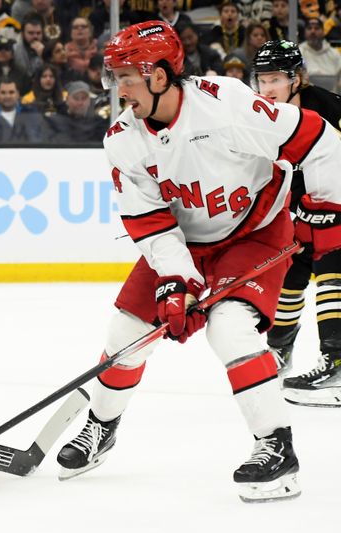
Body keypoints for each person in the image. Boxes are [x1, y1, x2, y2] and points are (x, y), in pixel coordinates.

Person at [55, 20, 341, 503]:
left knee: (229, 327)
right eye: (116, 77)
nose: (118, 88)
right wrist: (177, 280)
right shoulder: (122, 139)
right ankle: (100, 428)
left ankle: (275, 446)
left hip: (255, 231)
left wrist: (326, 206)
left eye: (127, 76)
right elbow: (148, 223)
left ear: (161, 76)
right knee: (125, 332)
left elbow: (319, 139)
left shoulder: (225, 104)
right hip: (185, 240)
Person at [251, 40, 341, 407]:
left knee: (333, 271)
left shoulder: (329, 109)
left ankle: (335, 359)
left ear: (297, 79)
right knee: (290, 275)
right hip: (304, 208)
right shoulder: (259, 118)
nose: (267, 89)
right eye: (262, 80)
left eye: (275, 79)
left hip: (336, 204)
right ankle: (279, 350)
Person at [0, 78, 45, 142]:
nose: (7, 96)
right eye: (3, 93)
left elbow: (36, 141)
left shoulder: (31, 114)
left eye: (11, 92)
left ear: (18, 94)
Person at [299, 17, 341, 92]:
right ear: (304, 32)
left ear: (323, 32)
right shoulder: (299, 53)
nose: (313, 31)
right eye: (309, 28)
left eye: (317, 28)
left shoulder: (334, 54)